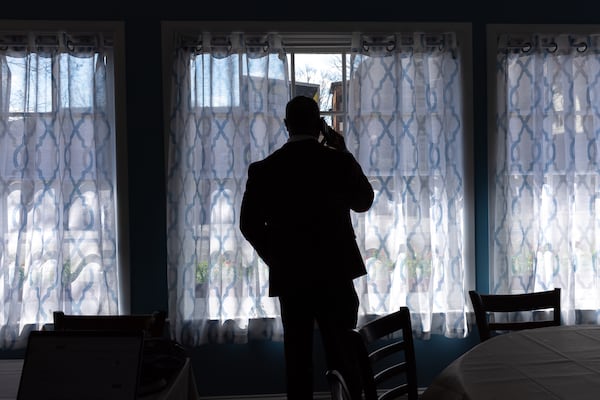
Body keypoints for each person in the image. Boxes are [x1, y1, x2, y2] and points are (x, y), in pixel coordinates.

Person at [239, 95, 374, 400]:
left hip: (292, 278)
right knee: (344, 359)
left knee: (297, 363)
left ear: (286, 125)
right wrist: (343, 150)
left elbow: (248, 225)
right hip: (336, 275)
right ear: (319, 124)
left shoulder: (264, 170)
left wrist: (276, 257)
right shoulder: (338, 162)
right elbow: (364, 201)